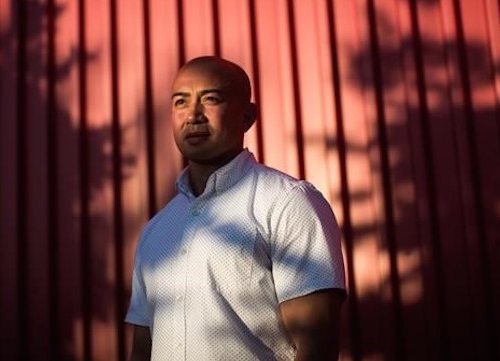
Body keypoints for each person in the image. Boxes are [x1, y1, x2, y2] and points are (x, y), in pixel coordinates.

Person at [125, 56, 346, 360]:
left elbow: (317, 346)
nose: (193, 115)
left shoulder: (287, 203)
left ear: (247, 116)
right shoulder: (156, 231)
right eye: (180, 102)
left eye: (211, 99)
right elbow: (142, 350)